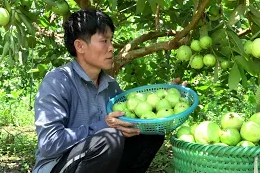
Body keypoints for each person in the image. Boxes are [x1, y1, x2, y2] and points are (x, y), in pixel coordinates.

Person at [32, 9, 187, 173]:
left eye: (111, 40)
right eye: (104, 41)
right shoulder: (58, 81)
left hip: (93, 161)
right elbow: (49, 143)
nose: (111, 48)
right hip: (57, 167)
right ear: (80, 46)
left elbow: (134, 117)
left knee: (151, 134)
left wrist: (166, 97)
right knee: (110, 137)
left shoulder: (110, 85)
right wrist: (102, 126)